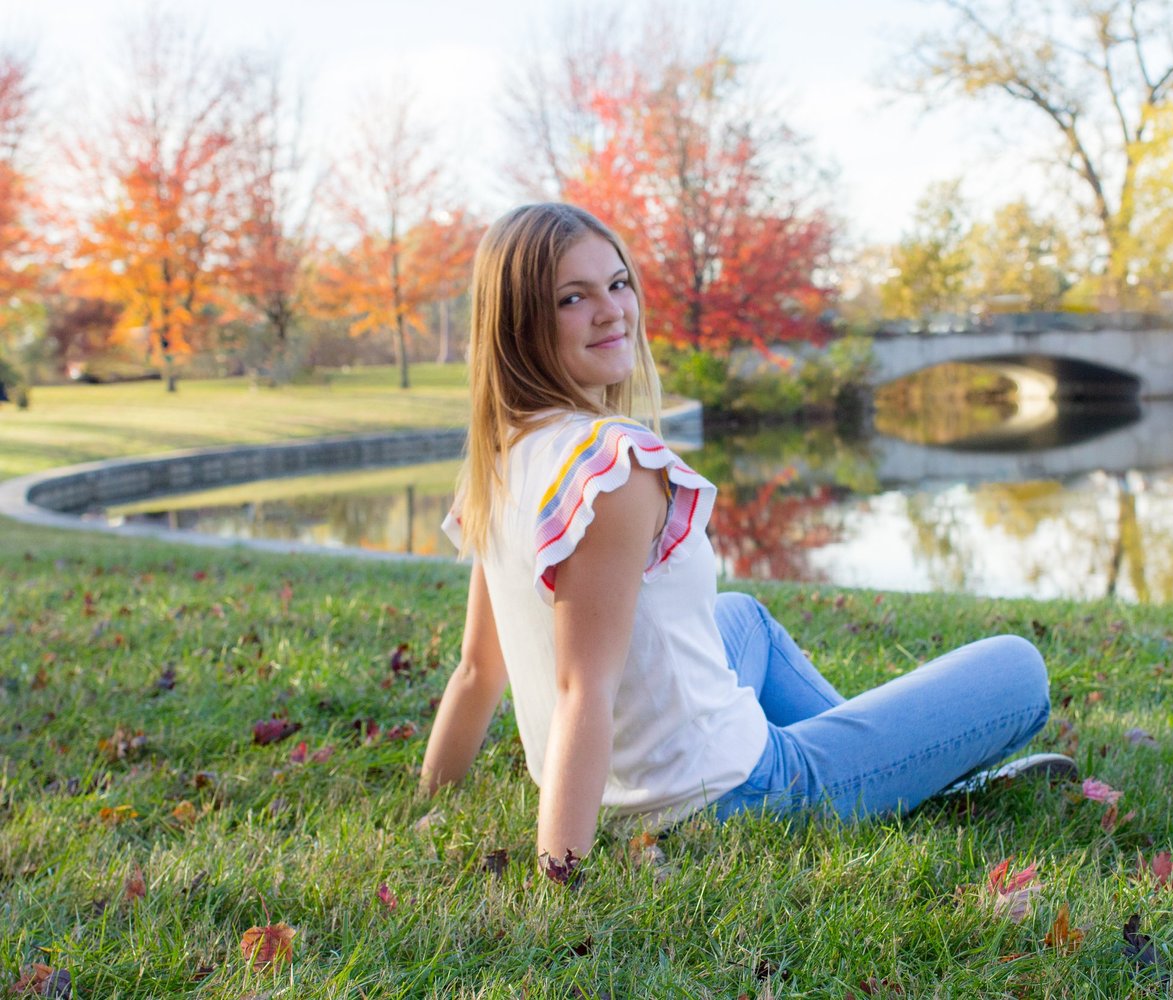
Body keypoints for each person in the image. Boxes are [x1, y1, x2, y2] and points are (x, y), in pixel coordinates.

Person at [418, 203, 1066, 876]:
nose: (612, 311)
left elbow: (477, 670)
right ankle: (919, 780)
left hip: (617, 779)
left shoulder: (499, 458)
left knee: (743, 617)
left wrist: (429, 802)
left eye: (617, 283)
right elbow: (583, 687)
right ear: (518, 326)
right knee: (1018, 667)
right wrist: (560, 875)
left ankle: (903, 769)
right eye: (572, 298)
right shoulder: (611, 466)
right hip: (729, 795)